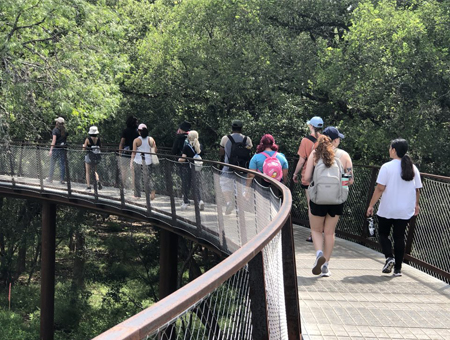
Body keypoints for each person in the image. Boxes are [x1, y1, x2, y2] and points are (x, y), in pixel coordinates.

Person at [366, 138, 421, 277]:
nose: (389, 150)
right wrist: (416, 204)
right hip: (405, 210)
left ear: (394, 150)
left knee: (383, 234)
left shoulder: (387, 167)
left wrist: (371, 205)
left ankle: (389, 257)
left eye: (390, 148)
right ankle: (397, 269)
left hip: (388, 208)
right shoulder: (413, 168)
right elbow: (417, 189)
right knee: (399, 238)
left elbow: (379, 188)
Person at [304, 130, 353, 278]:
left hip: (318, 199)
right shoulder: (344, 156)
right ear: (335, 140)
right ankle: (325, 266)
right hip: (336, 200)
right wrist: (339, 184)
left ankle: (319, 254)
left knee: (316, 230)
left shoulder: (314, 154)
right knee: (329, 232)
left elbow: (306, 178)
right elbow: (350, 180)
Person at [292, 116, 323, 242]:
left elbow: (301, 160)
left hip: (309, 176)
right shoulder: (325, 140)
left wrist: (295, 173)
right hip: (322, 176)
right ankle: (322, 232)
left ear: (311, 126)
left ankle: (313, 233)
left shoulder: (306, 141)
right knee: (322, 205)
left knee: (311, 205)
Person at [219, 120, 253, 214]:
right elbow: (249, 151)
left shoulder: (225, 138)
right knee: (241, 187)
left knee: (224, 184)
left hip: (228, 166)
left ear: (232, 128)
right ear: (241, 128)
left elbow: (221, 152)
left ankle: (229, 202)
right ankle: (239, 208)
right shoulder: (247, 139)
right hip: (242, 168)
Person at [178, 130, 205, 211]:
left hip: (188, 168)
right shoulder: (200, 146)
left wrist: (179, 159)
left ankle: (186, 201)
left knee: (187, 184)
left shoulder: (187, 147)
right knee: (197, 184)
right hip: (198, 168)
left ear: (189, 137)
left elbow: (183, 158)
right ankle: (200, 200)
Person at [130, 123, 157, 200]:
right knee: (148, 177)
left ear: (139, 131)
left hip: (138, 161)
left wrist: (131, 162)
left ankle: (137, 195)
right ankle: (151, 192)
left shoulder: (136, 140)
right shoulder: (151, 139)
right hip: (148, 161)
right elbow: (155, 150)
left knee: (137, 178)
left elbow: (134, 152)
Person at [118, 116, 139, 186]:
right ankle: (134, 187)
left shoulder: (125, 131)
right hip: (135, 153)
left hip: (126, 152)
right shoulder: (138, 132)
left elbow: (122, 142)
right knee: (133, 171)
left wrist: (120, 153)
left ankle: (123, 186)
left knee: (124, 170)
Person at [47, 117, 68, 184]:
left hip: (56, 148)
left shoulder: (55, 130)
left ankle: (50, 178)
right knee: (62, 164)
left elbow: (54, 141)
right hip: (62, 149)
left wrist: (51, 150)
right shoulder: (65, 130)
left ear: (57, 123)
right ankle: (62, 179)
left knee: (52, 164)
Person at [83, 126, 102, 191]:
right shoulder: (98, 139)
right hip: (96, 156)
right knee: (95, 171)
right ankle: (98, 180)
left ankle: (88, 187)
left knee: (88, 172)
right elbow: (100, 147)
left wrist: (83, 146)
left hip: (89, 156)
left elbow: (84, 149)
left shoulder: (88, 139)